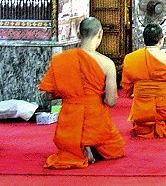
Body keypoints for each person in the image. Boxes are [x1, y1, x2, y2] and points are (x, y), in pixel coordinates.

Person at [38, 17, 125, 169]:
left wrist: (70, 94)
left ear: (79, 34)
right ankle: (90, 146)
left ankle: (77, 147)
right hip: (96, 122)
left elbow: (49, 95)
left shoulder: (60, 59)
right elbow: (111, 101)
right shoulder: (106, 63)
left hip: (68, 124)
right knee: (115, 149)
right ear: (100, 34)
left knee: (70, 142)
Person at [121, 23, 166, 138]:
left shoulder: (130, 58)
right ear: (161, 39)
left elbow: (127, 86)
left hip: (141, 110)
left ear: (143, 39)